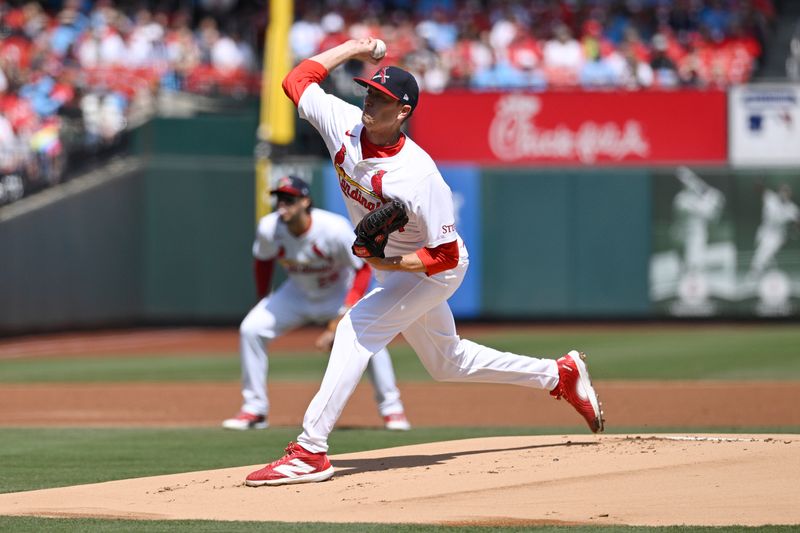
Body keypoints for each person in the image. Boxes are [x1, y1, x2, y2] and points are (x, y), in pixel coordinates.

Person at [244, 38, 604, 487]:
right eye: (370, 92)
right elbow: (296, 79)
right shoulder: (342, 124)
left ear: (403, 113)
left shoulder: (418, 174)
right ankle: (558, 374)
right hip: (395, 263)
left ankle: (310, 450)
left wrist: (389, 265)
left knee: (357, 329)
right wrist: (354, 46)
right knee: (447, 362)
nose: (370, 102)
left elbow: (445, 254)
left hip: (434, 269)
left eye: (383, 99)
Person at [222, 175, 411, 432]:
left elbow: (362, 269)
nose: (282, 205)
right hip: (296, 293)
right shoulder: (269, 228)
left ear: (305, 201)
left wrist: (343, 314)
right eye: (279, 199)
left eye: (289, 199)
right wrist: (263, 299)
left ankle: (392, 410)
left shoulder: (333, 229)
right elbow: (263, 262)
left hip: (338, 294)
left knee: (370, 339)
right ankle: (255, 410)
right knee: (251, 329)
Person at [748, 183, 800, 278]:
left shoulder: (792, 208)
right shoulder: (770, 197)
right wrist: (759, 180)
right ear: (779, 191)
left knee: (763, 253)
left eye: (787, 192)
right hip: (764, 229)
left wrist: (795, 230)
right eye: (783, 191)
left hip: (777, 234)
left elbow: (798, 221)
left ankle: (754, 275)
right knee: (765, 255)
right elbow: (758, 188)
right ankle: (770, 275)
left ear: (789, 194)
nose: (784, 194)